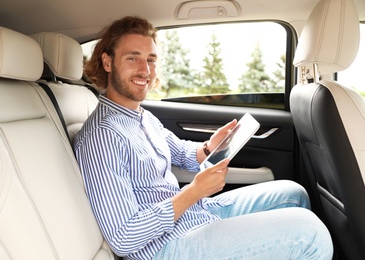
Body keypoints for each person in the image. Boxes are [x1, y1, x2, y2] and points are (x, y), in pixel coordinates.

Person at [73, 16, 333, 260]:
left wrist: (211, 146)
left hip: (190, 216)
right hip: (165, 247)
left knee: (293, 193)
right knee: (310, 235)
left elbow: (182, 153)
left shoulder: (142, 116)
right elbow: (123, 237)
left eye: (151, 60)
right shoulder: (102, 136)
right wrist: (193, 192)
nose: (145, 70)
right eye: (133, 58)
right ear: (107, 62)